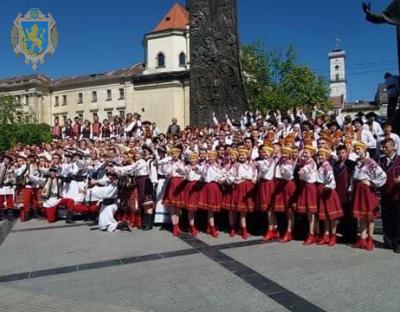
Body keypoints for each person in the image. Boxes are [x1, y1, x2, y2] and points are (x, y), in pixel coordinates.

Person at [351, 141, 387, 251]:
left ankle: (370, 239)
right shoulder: (357, 162)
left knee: (369, 216)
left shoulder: (370, 162)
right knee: (361, 216)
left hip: (367, 190)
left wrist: (371, 183)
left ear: (364, 149)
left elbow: (382, 175)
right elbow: (354, 177)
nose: (358, 151)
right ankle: (362, 239)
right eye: (356, 149)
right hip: (359, 190)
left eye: (359, 149)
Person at [316, 148, 343, 247]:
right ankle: (326, 235)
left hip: (328, 191)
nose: (320, 157)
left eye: (322, 155)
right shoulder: (322, 165)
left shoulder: (327, 166)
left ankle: (333, 235)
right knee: (325, 216)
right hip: (322, 191)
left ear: (327, 156)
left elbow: (331, 178)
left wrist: (329, 186)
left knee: (331, 216)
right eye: (319, 155)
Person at [380, 138, 400, 253]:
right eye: (383, 147)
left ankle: (397, 243)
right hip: (385, 194)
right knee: (386, 218)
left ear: (393, 147)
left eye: (386, 147)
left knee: (397, 219)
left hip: (397, 195)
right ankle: (388, 240)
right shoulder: (381, 160)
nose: (384, 149)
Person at [334, 145, 357, 244]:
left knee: (350, 216)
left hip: (348, 193)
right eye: (339, 153)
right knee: (342, 216)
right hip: (339, 192)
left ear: (347, 153)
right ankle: (345, 235)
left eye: (343, 153)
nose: (341, 155)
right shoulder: (335, 164)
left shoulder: (352, 164)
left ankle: (352, 237)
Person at [296, 145, 319, 245]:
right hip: (305, 186)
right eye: (304, 152)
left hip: (310, 187)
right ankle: (314, 232)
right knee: (309, 212)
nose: (305, 154)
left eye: (307, 152)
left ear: (312, 153)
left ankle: (312, 234)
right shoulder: (305, 162)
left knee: (311, 212)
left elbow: (306, 170)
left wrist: (302, 171)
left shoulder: (311, 163)